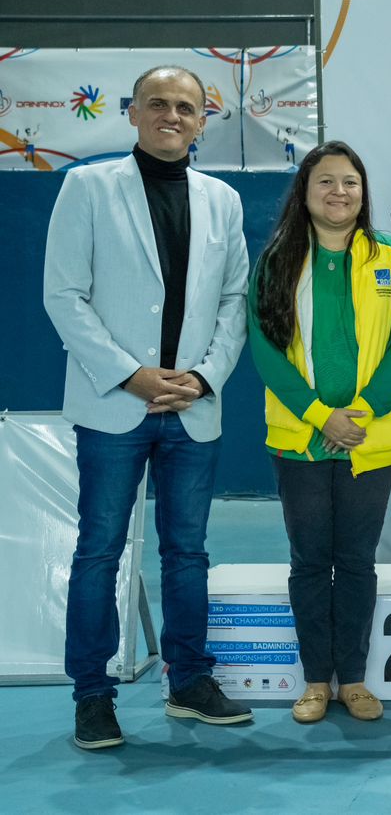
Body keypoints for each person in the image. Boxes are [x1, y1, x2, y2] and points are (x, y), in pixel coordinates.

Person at [43, 66, 252, 750]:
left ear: (202, 120)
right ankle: (92, 695)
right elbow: (64, 295)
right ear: (132, 113)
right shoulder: (86, 188)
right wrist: (129, 375)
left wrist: (204, 377)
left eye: (185, 107)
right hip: (114, 407)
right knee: (100, 551)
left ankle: (189, 681)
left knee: (188, 554)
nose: (171, 115)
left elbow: (233, 303)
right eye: (157, 104)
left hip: (192, 408)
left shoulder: (222, 199)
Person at [248, 142, 391, 723]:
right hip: (301, 438)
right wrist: (323, 417)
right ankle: (315, 682)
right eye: (326, 182)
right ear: (305, 192)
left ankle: (353, 679)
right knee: (308, 559)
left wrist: (362, 415)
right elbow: (267, 352)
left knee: (354, 560)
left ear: (363, 192)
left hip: (369, 441)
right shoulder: (277, 260)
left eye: (350, 182)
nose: (339, 193)